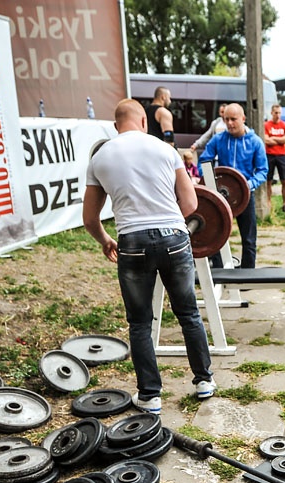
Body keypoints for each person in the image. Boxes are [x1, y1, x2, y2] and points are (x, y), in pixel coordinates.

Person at [82, 99, 216, 414]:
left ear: (117, 126)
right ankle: (204, 381)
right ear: (144, 120)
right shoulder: (165, 150)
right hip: (174, 238)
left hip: (132, 241)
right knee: (188, 313)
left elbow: (90, 218)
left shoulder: (100, 157)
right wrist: (170, 222)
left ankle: (150, 395)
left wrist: (105, 240)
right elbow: (191, 202)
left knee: (140, 322)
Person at [199, 103, 268, 269]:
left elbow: (263, 171)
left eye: (233, 119)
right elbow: (203, 161)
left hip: (244, 196)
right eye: (226, 119)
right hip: (221, 196)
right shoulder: (218, 139)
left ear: (243, 119)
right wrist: (210, 181)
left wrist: (248, 185)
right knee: (216, 235)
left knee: (249, 238)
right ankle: (218, 274)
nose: (229, 123)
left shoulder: (255, 142)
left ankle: (248, 275)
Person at [264, 104, 285, 213]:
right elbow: (266, 140)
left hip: (282, 155)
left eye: (279, 113)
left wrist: (274, 138)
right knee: (268, 181)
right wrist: (280, 139)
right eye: (276, 113)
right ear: (272, 113)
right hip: (269, 154)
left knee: (284, 180)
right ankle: (268, 203)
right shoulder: (266, 125)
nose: (278, 115)